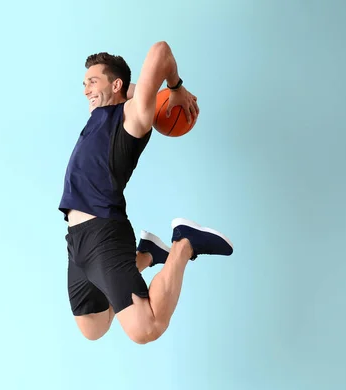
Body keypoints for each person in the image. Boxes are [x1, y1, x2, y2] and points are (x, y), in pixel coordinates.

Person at [59, 41, 234, 344]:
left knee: (146, 329)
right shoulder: (101, 112)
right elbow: (123, 89)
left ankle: (185, 243)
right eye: (85, 83)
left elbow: (160, 52)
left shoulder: (131, 119)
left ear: (115, 84)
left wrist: (175, 88)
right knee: (94, 327)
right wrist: (121, 88)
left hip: (103, 232)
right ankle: (148, 255)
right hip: (77, 241)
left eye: (92, 81)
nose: (86, 89)